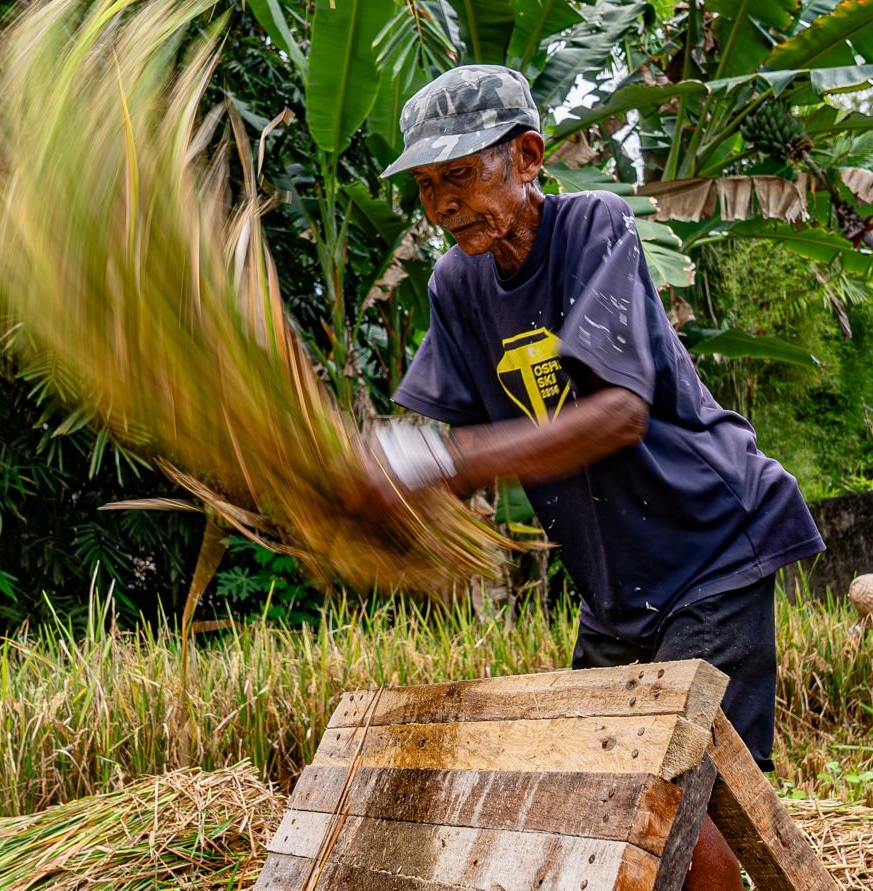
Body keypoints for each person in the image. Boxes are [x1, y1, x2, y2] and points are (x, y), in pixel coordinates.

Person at [351, 64, 826, 891]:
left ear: (528, 157)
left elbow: (619, 415)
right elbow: (472, 444)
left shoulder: (593, 228)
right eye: (427, 186)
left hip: (713, 546)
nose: (442, 204)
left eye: (460, 174)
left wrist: (441, 463)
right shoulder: (457, 284)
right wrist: (387, 500)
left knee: (683, 803)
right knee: (602, 794)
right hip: (617, 589)